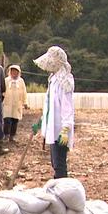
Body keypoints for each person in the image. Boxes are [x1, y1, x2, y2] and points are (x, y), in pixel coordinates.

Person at [32, 46, 75, 179]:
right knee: (55, 162)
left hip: (60, 129)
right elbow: (50, 105)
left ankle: (62, 188)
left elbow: (67, 107)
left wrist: (66, 128)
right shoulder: (53, 79)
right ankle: (59, 186)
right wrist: (41, 121)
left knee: (59, 164)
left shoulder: (64, 82)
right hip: (52, 126)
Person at [2, 65, 29, 144]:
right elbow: (2, 90)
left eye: (16, 72)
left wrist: (25, 102)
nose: (14, 73)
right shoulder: (6, 80)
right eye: (13, 71)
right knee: (7, 120)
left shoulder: (21, 81)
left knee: (15, 121)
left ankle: (12, 136)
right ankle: (6, 135)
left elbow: (24, 92)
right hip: (7, 104)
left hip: (17, 104)